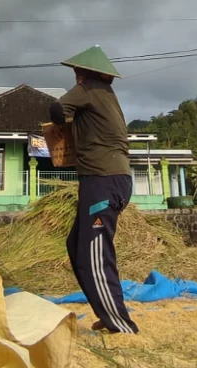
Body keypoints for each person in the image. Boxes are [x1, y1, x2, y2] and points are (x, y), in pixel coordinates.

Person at [48, 45, 139, 334]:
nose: (76, 78)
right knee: (77, 245)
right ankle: (107, 313)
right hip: (109, 179)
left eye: (77, 73)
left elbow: (57, 109)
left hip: (103, 179)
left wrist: (60, 122)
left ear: (83, 73)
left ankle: (122, 324)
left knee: (95, 252)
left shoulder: (88, 89)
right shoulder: (108, 97)